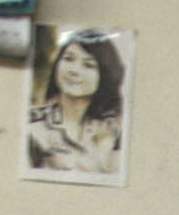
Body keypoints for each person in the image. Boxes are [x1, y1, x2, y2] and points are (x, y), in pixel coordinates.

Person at [27, 29, 124, 177]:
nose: (74, 70)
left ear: (104, 75)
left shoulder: (115, 128)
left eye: (88, 65)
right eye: (68, 59)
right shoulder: (32, 126)